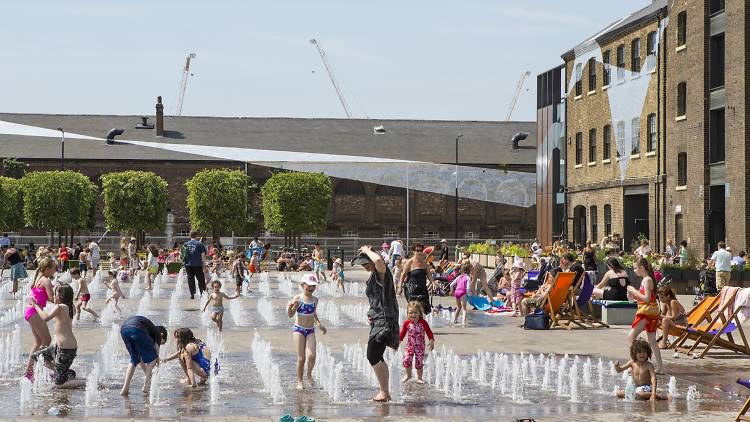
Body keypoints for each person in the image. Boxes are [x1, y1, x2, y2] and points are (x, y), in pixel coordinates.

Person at [353, 246, 399, 402]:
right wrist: (371, 314)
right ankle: (384, 392)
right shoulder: (374, 275)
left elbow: (379, 260)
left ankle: (384, 392)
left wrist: (366, 250)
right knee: (376, 355)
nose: (364, 266)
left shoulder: (382, 274)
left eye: (366, 263)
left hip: (385, 320)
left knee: (372, 354)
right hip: (378, 319)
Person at [28, 284, 85, 387]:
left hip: (65, 349)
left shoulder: (59, 307)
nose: (53, 296)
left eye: (55, 294)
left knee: (59, 384)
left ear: (61, 296)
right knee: (37, 356)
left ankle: (88, 383)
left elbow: (45, 318)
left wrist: (35, 305)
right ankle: (65, 373)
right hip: (62, 346)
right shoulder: (70, 306)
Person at [286, 274, 327, 390]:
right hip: (299, 329)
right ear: (302, 285)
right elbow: (290, 315)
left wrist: (319, 324)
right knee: (301, 358)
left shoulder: (315, 300)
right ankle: (299, 381)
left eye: (313, 286)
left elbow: (313, 313)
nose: (311, 288)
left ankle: (309, 374)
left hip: (310, 330)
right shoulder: (298, 299)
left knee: (312, 355)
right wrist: (290, 308)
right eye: (308, 285)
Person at [626, 257, 663, 373]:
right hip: (649, 313)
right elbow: (644, 298)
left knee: (631, 337)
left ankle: (635, 364)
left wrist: (634, 291)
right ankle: (660, 367)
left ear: (642, 268)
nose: (634, 270)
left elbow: (647, 299)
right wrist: (632, 297)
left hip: (647, 314)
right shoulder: (645, 280)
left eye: (635, 268)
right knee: (652, 341)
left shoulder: (647, 280)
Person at [23, 257, 55, 379]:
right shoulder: (46, 280)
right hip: (34, 312)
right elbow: (52, 298)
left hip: (30, 311)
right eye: (53, 269)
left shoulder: (38, 278)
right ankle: (41, 368)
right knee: (46, 340)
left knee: (38, 342)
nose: (55, 271)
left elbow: (42, 296)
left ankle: (29, 372)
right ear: (47, 269)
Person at [119, 315, 168, 395]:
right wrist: (155, 376)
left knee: (134, 360)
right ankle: (146, 387)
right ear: (162, 335)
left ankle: (125, 388)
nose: (160, 344)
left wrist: (147, 373)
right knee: (152, 359)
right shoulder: (158, 335)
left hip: (124, 329)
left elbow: (139, 361)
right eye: (162, 342)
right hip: (137, 329)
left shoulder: (149, 330)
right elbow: (156, 359)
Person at [399, 301, 434, 384]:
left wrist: (431, 340)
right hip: (410, 345)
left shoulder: (423, 323)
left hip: (420, 346)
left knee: (419, 362)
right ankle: (408, 375)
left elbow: (429, 332)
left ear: (419, 313)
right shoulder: (407, 323)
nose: (413, 315)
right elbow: (402, 333)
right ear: (407, 313)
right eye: (410, 313)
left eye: (415, 312)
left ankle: (419, 378)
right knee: (406, 359)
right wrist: (398, 341)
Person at [398, 243, 435, 314]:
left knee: (423, 309)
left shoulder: (424, 263)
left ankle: (421, 324)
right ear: (413, 251)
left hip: (422, 288)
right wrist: (399, 287)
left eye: (421, 250)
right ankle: (410, 323)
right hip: (411, 289)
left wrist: (433, 282)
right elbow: (403, 275)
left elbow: (429, 275)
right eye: (417, 250)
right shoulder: (410, 262)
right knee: (413, 309)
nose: (419, 252)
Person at [657, 285, 686, 349]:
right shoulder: (666, 303)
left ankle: (664, 343)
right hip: (675, 324)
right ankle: (653, 341)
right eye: (659, 297)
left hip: (682, 327)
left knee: (665, 320)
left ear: (668, 296)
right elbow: (662, 315)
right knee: (656, 320)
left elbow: (674, 317)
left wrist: (661, 316)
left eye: (662, 297)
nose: (660, 299)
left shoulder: (673, 302)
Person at [183, 231, 208, 299]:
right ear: (196, 235)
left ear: (189, 235)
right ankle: (202, 294)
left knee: (190, 279)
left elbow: (182, 255)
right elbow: (203, 256)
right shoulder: (200, 244)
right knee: (200, 279)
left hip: (188, 265)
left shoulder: (185, 244)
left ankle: (192, 294)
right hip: (197, 264)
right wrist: (204, 266)